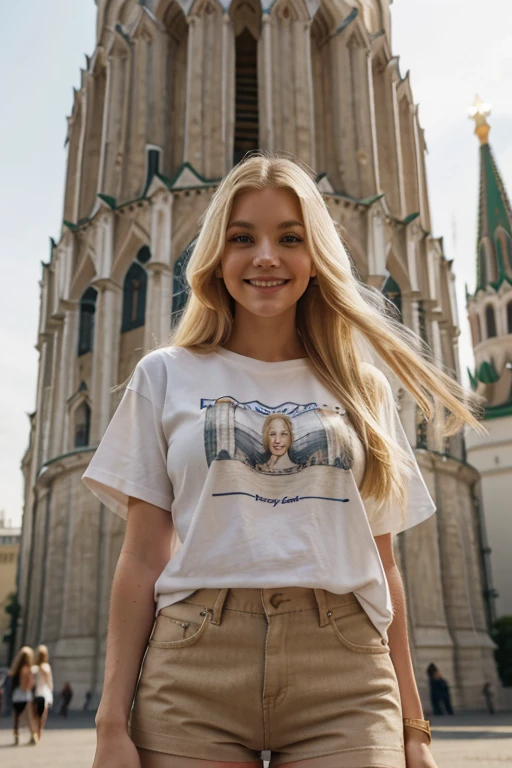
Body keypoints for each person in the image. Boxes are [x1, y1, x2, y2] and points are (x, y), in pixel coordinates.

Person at [83, 153, 482, 768]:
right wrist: (112, 724)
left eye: (289, 238)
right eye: (243, 237)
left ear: (315, 256)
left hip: (344, 668)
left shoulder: (362, 389)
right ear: (217, 255)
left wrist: (415, 729)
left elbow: (384, 565)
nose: (266, 256)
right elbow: (140, 555)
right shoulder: (164, 375)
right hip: (195, 665)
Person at [8, 646, 38, 745]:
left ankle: (16, 736)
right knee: (29, 716)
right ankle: (33, 735)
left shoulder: (16, 668)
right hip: (26, 693)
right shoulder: (28, 668)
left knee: (17, 716)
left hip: (17, 693)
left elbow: (11, 677)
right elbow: (28, 684)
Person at [31, 644, 54, 741]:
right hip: (45, 693)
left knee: (35, 715)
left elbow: (32, 682)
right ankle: (39, 733)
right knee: (42, 716)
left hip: (36, 693)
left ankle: (34, 732)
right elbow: (49, 682)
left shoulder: (34, 668)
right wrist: (51, 690)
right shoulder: (46, 667)